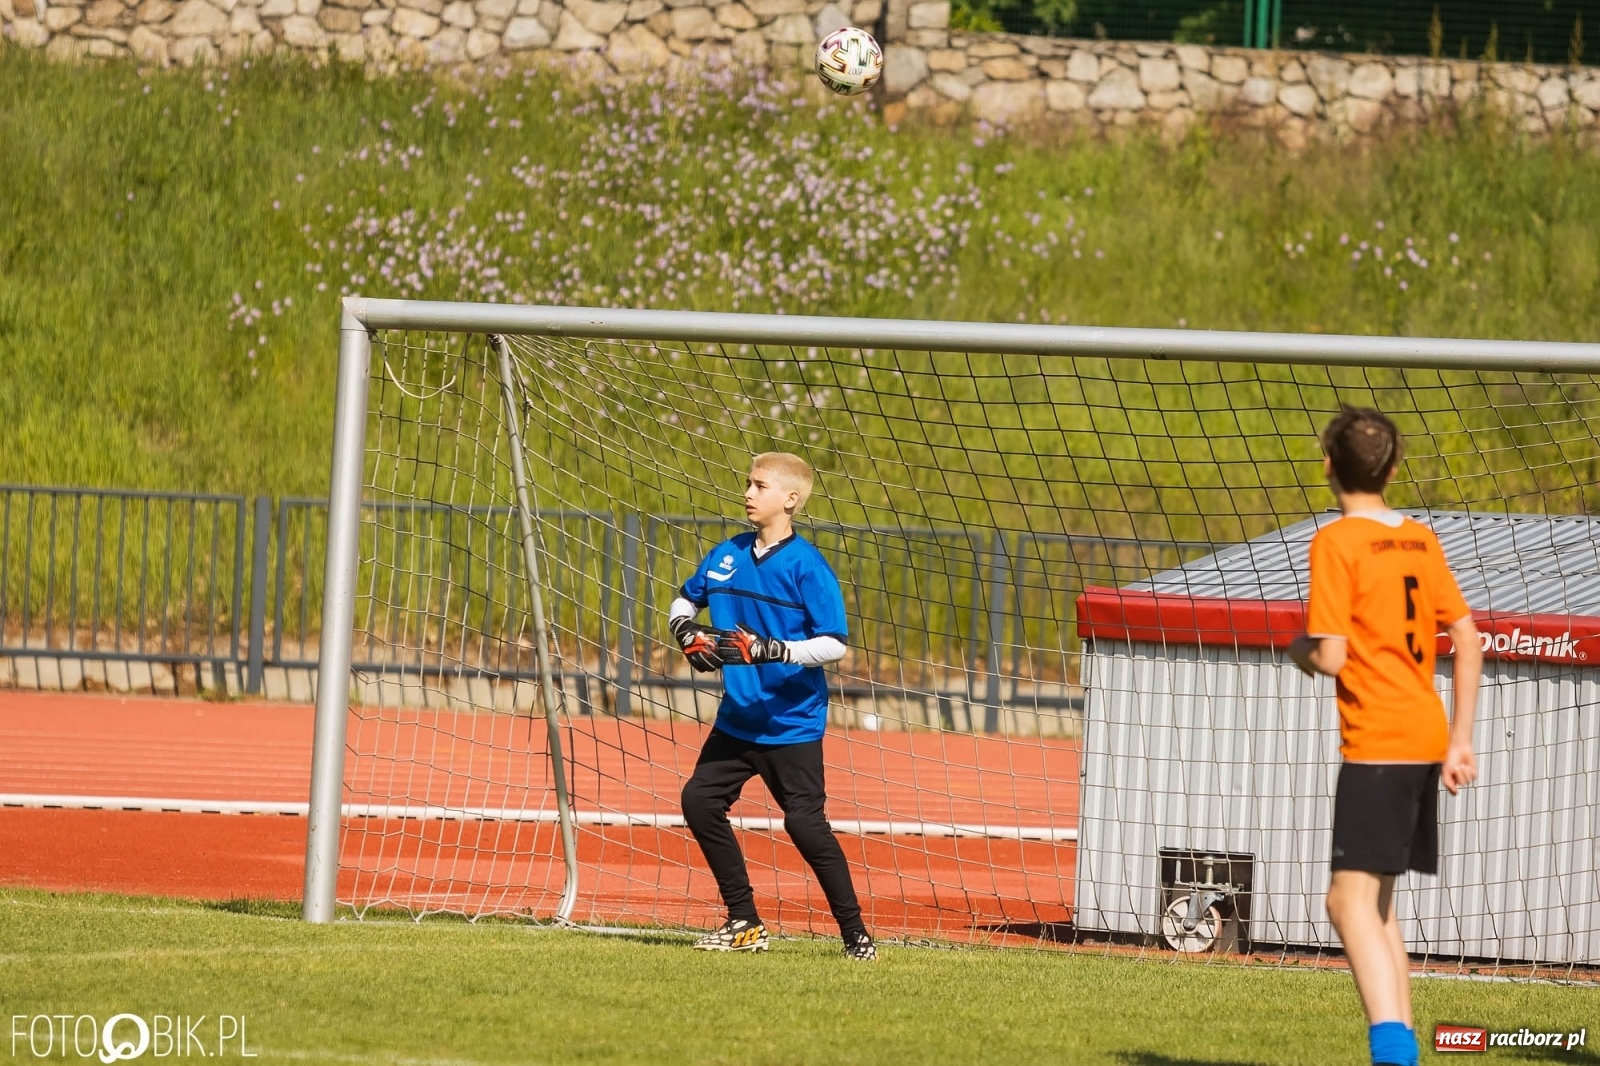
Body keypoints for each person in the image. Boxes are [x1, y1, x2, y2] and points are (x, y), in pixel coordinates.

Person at [1289, 406, 1482, 1066]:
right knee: (1377, 907)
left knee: (1345, 904)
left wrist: (1297, 649)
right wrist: (1460, 740)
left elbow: (1332, 656)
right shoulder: (1420, 540)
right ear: (1395, 468)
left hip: (1378, 740)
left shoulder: (1336, 543)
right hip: (1426, 733)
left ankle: (1392, 1055)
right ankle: (1403, 1053)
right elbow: (1467, 639)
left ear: (1327, 465)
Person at [668, 451, 876, 961]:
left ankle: (857, 936)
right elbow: (684, 599)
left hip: (791, 723)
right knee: (699, 802)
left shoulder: (808, 566)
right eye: (748, 483)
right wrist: (685, 629)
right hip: (738, 720)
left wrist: (773, 649)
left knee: (804, 825)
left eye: (759, 485)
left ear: (790, 499)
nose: (747, 493)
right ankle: (744, 922)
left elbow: (834, 644)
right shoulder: (727, 554)